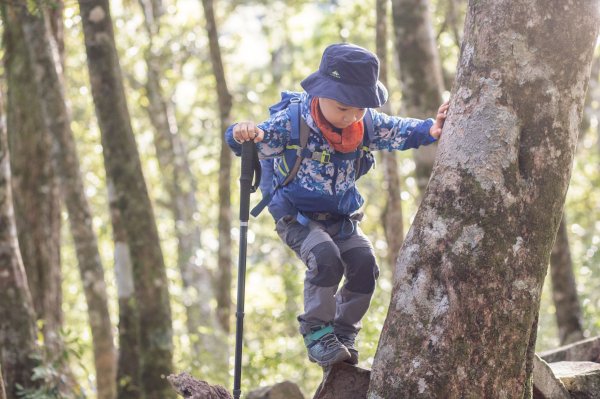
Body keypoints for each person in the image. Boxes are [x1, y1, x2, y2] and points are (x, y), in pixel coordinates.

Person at [225, 43, 449, 367]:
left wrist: (431, 129)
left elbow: (397, 130)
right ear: (321, 92)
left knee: (364, 265)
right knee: (324, 257)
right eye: (344, 108)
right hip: (296, 217)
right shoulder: (292, 123)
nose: (352, 116)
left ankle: (343, 333)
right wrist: (240, 132)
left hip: (342, 219)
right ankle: (317, 332)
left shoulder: (364, 125)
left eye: (360, 108)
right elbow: (248, 139)